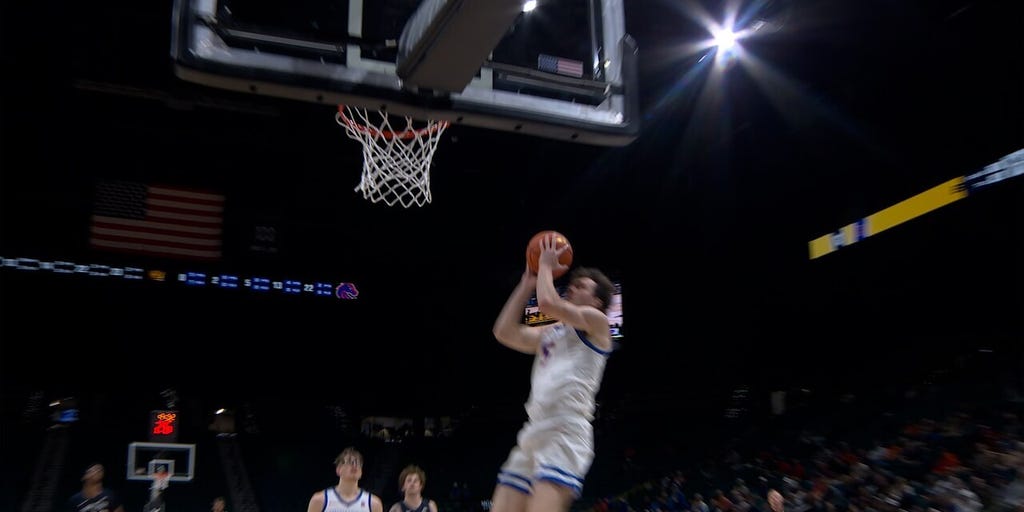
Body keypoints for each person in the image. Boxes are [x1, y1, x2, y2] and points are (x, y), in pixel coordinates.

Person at [490, 233, 616, 512]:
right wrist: (527, 284)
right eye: (571, 284)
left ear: (596, 301)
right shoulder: (552, 332)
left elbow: (547, 304)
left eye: (580, 286)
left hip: (566, 430)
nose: (571, 288)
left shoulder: (598, 323)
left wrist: (546, 264)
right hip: (534, 430)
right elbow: (503, 332)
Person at [307, 447, 384, 512]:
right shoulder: (320, 500)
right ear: (338, 469)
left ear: (361, 472)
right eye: (350, 462)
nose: (354, 466)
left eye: (358, 463)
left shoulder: (373, 503)